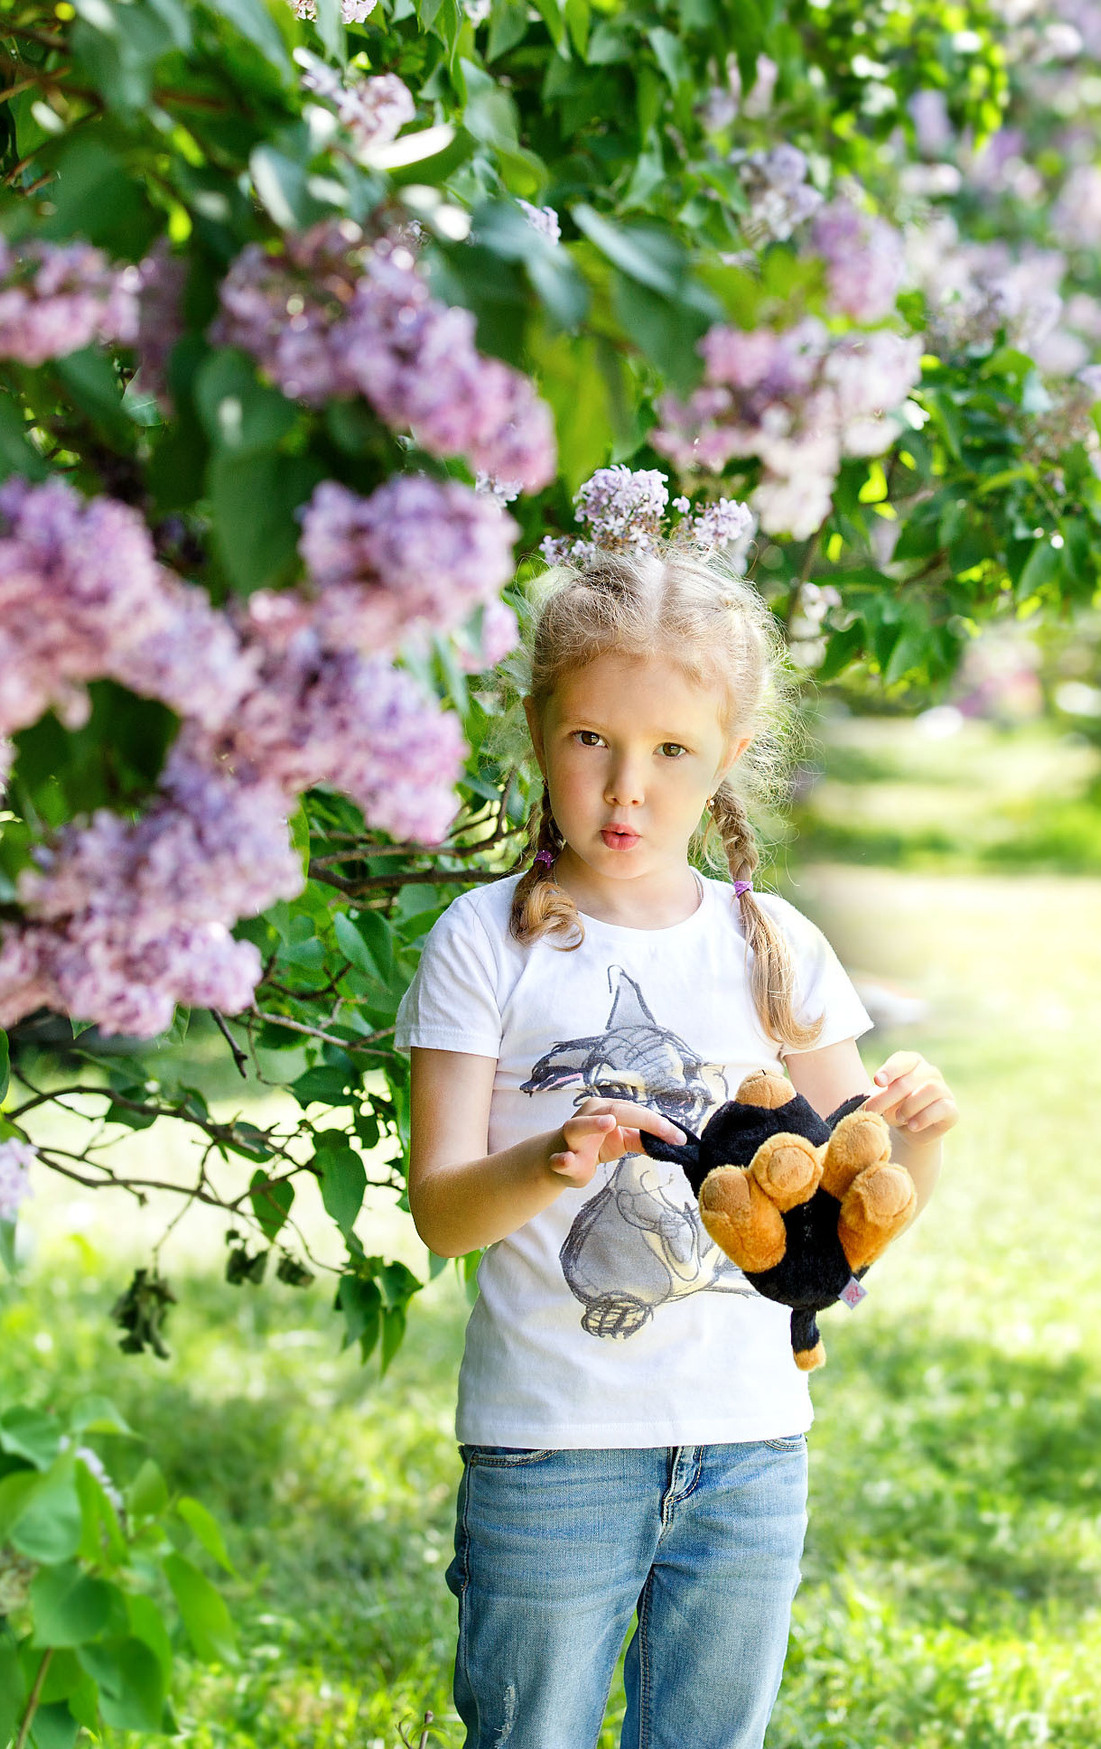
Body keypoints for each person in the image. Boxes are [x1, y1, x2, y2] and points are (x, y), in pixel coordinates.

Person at [395, 544, 960, 1747]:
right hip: (552, 1448)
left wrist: (918, 1136)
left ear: (727, 762)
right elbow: (441, 1215)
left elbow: (849, 1228)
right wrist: (548, 1160)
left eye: (669, 754)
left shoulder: (775, 943)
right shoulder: (481, 942)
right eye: (590, 740)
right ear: (538, 725)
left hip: (750, 1448)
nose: (623, 791)